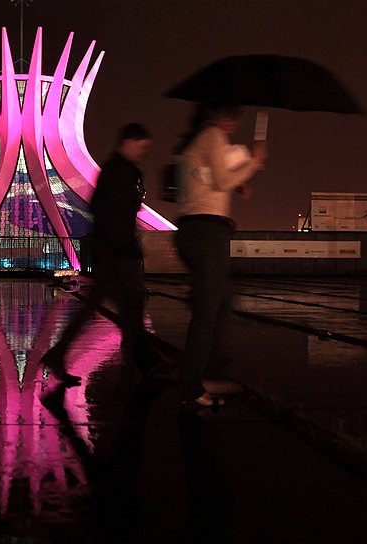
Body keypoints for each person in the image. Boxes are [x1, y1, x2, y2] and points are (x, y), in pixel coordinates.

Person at [42, 123, 157, 385]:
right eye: (143, 145)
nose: (145, 151)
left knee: (118, 309)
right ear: (130, 141)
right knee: (130, 308)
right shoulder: (122, 171)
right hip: (118, 252)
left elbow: (101, 207)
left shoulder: (115, 170)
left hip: (110, 250)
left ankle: (140, 361)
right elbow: (111, 212)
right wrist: (123, 245)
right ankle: (141, 362)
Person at [175, 104, 266, 409]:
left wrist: (239, 181)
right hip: (206, 233)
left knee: (219, 303)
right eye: (231, 116)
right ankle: (192, 384)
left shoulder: (200, 140)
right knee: (207, 312)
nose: (232, 124)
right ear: (215, 114)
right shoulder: (212, 135)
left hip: (196, 231)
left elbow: (212, 179)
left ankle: (208, 372)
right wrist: (253, 162)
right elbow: (222, 181)